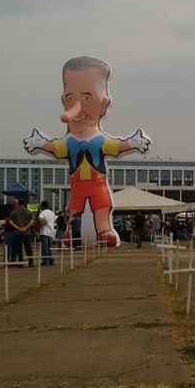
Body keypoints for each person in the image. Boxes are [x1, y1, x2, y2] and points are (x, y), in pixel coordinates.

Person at [23, 56, 151, 247]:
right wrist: (40, 143)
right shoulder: (69, 141)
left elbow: (117, 146)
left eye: (87, 98)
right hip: (77, 186)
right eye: (71, 98)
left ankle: (104, 230)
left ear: (104, 103)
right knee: (74, 210)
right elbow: (56, 149)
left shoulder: (99, 140)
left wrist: (133, 143)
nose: (78, 105)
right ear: (63, 100)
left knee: (101, 206)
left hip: (97, 184)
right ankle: (70, 233)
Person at [7, 198, 34, 266]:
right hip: (27, 232)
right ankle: (31, 262)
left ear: (18, 203)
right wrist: (26, 227)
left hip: (17, 232)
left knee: (18, 247)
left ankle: (20, 262)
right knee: (28, 248)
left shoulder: (14, 212)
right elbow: (32, 221)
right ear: (25, 203)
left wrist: (18, 228)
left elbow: (10, 221)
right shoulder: (29, 211)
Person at [38, 200, 56, 266]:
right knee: (49, 248)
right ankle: (51, 260)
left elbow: (42, 221)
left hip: (44, 232)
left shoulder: (42, 213)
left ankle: (46, 262)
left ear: (42, 206)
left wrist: (38, 227)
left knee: (44, 248)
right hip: (51, 232)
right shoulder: (52, 213)